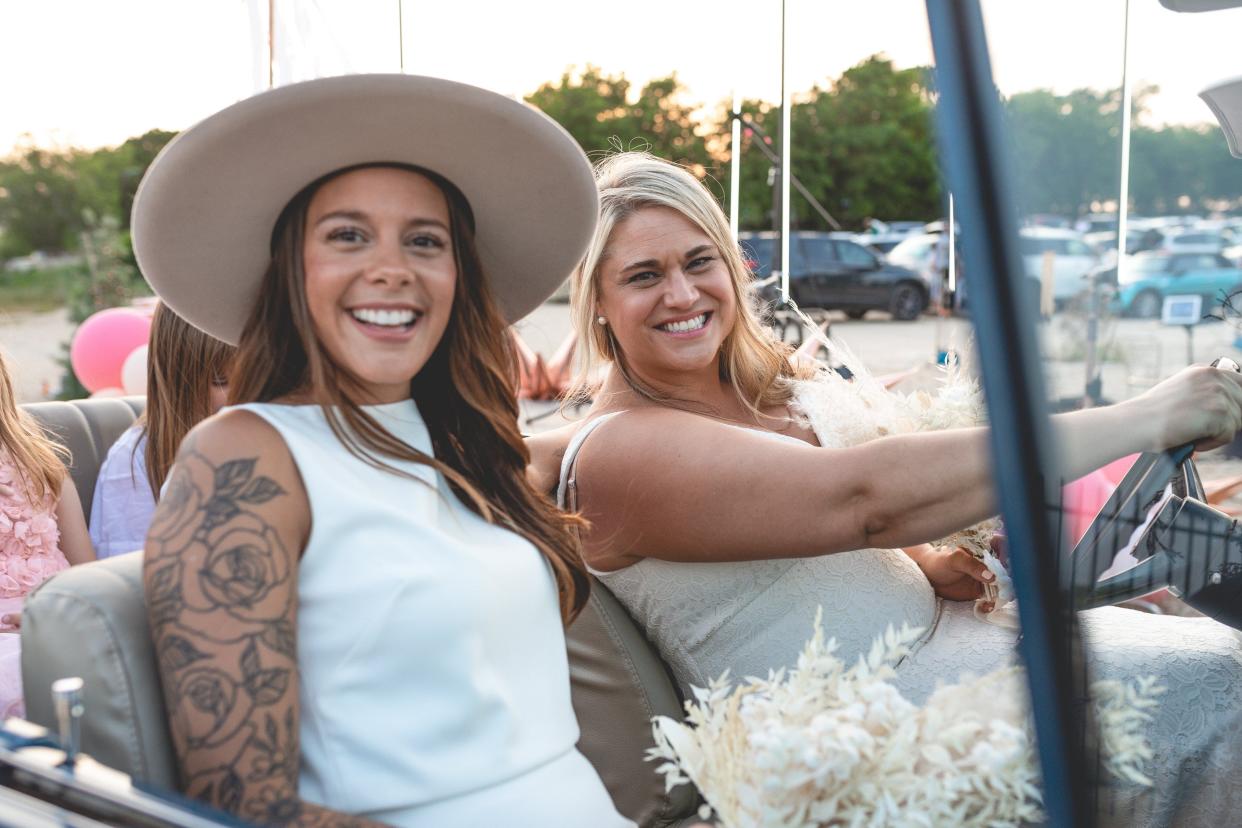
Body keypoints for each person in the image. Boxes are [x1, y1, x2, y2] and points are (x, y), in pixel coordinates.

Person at [527, 151, 1242, 827]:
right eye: (644, 275)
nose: (682, 293)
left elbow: (827, 536)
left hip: (960, 644)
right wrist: (1143, 417)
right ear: (595, 302)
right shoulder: (616, 451)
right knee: (1226, 704)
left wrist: (927, 563)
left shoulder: (770, 386)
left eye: (698, 261)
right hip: (872, 728)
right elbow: (859, 501)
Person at [135, 75, 631, 827]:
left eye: (424, 241)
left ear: (456, 276)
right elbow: (244, 808)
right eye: (347, 235)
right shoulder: (243, 457)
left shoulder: (466, 442)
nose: (392, 268)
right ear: (290, 274)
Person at [89, 303, 234, 558]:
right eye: (221, 381)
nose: (242, 395)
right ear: (178, 378)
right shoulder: (135, 459)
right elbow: (131, 570)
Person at [0, 349, 94, 716]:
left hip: (54, 617)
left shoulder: (42, 465)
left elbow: (86, 571)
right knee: (21, 675)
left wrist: (61, 615)